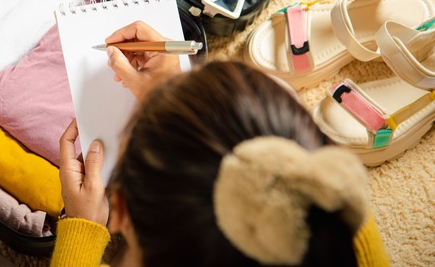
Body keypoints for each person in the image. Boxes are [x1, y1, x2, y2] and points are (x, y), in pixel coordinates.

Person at [51, 21, 389, 266]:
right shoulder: (337, 216)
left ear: (120, 212)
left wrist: (81, 230)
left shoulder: (331, 200)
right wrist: (173, 98)